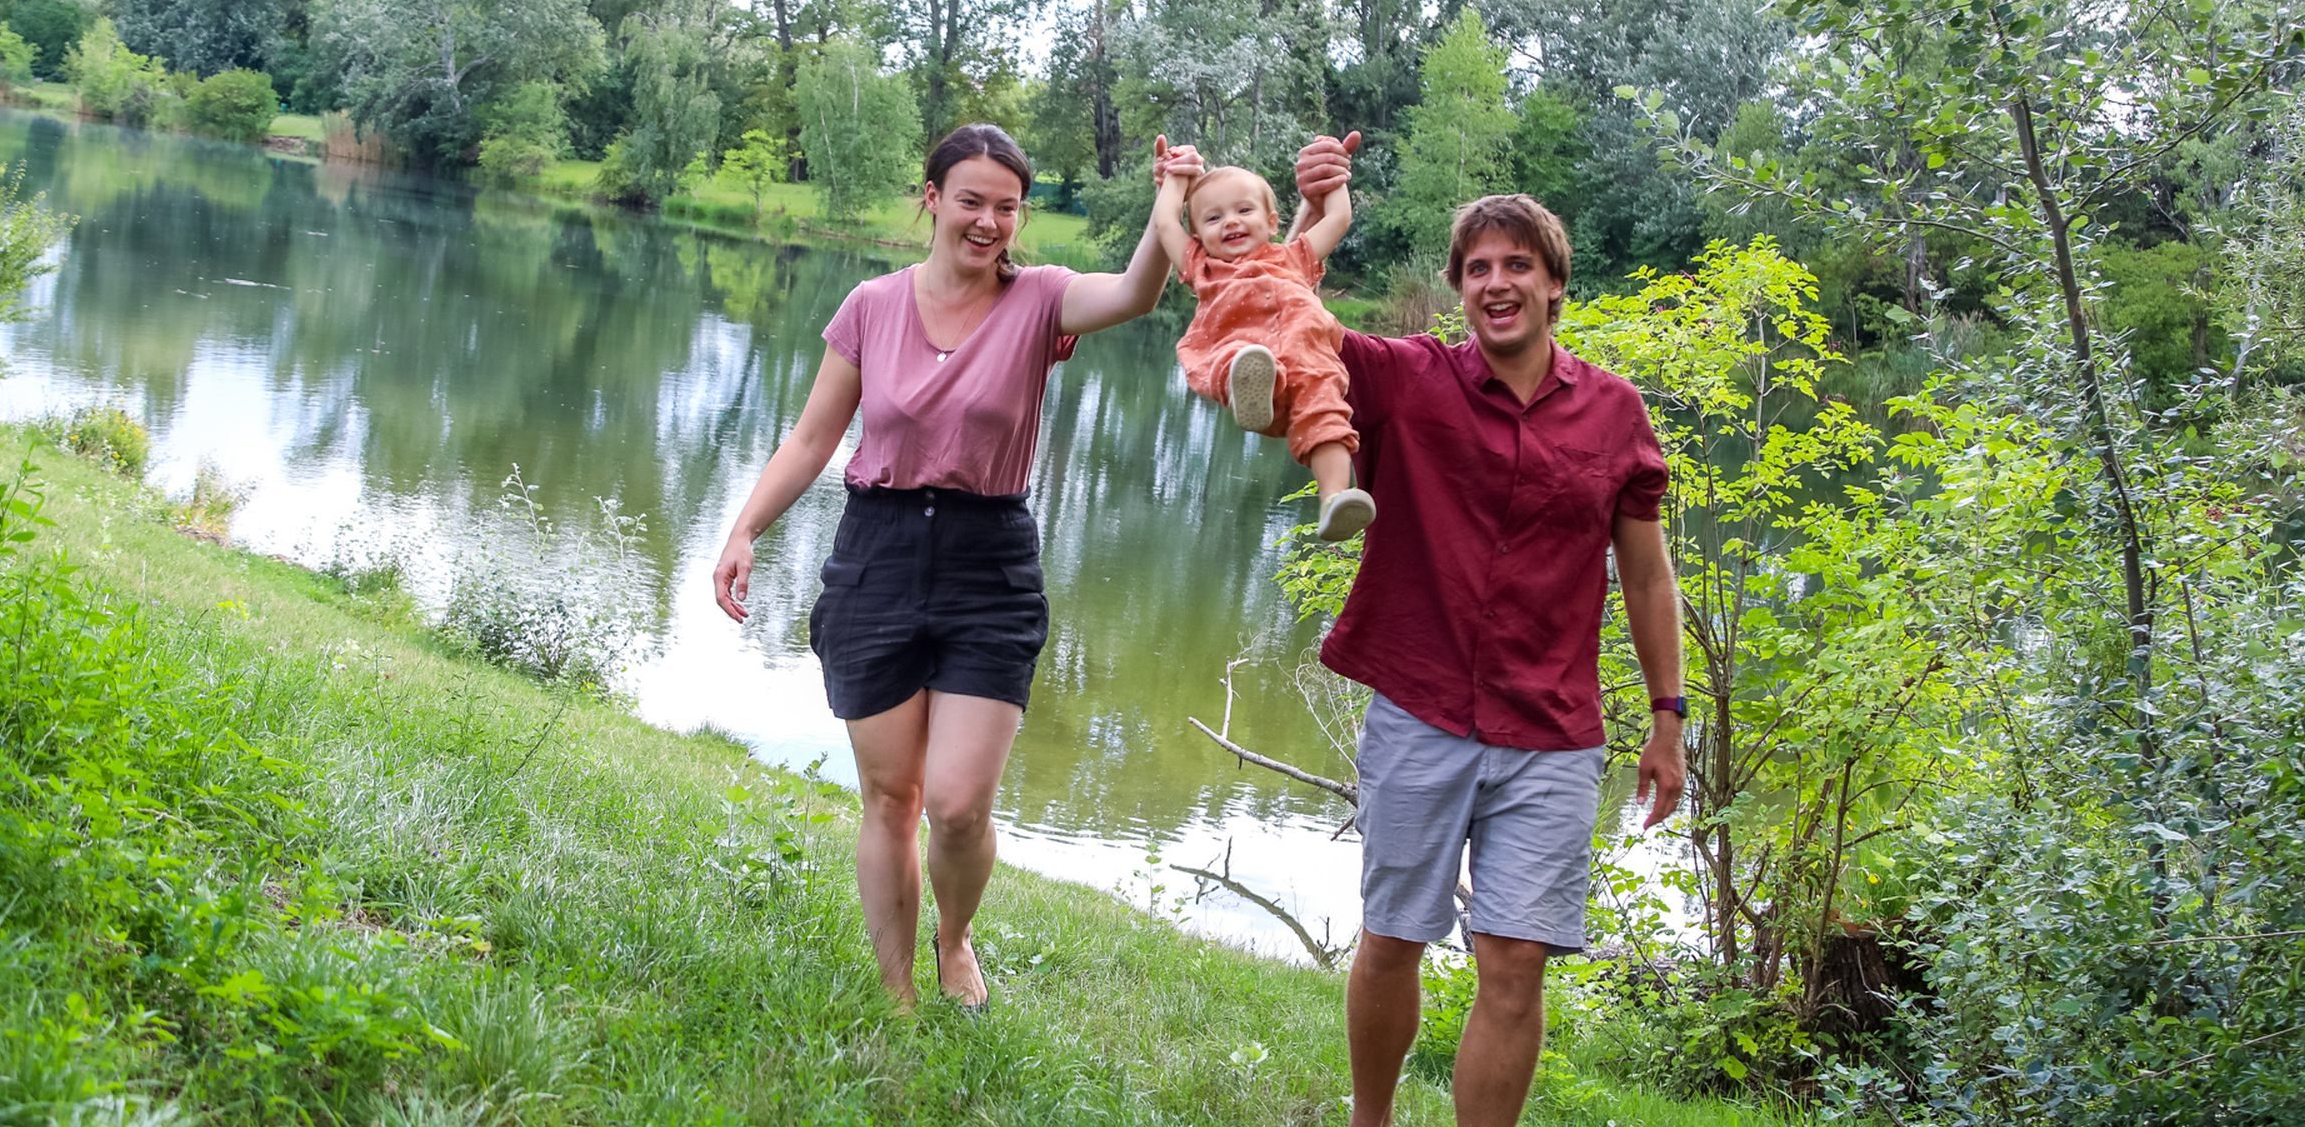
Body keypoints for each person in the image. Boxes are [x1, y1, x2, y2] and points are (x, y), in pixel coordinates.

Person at [711, 124, 1194, 1010]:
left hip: (989, 562)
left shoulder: (1042, 299)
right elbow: (816, 435)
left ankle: (954, 935)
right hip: (878, 554)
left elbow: (1133, 292)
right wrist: (745, 529)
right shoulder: (870, 305)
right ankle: (896, 996)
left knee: (959, 803)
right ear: (931, 198)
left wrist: (1169, 199)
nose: (988, 223)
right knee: (891, 797)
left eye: (1006, 207)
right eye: (970, 200)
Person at [1290, 134, 1688, 1127]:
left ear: (1556, 286)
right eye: (1478, 268)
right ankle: (1369, 1118)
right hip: (1420, 709)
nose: (1496, 283)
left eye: (1518, 265)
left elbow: (1644, 572)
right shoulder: (1408, 378)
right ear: (1458, 288)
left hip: (1550, 731)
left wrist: (1668, 715)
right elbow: (1285, 338)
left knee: (1513, 965)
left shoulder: (1613, 414)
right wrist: (1312, 216)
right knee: (1391, 935)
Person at [1148, 139, 1376, 540]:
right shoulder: (1203, 267)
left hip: (1306, 359)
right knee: (1237, 357)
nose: (1231, 222)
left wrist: (1334, 172)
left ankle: (1335, 498)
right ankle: (1251, 392)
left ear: (1272, 221)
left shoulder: (1296, 258)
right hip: (1237, 353)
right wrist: (1176, 176)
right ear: (1197, 235)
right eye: (1213, 218)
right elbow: (1167, 222)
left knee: (1326, 412)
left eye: (1244, 210)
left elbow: (1338, 217)